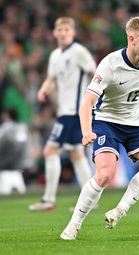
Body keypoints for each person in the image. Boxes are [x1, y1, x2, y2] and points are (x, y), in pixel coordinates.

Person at [60, 15, 139, 240]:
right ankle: (74, 225)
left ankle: (119, 210)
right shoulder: (109, 64)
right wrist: (87, 131)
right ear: (131, 39)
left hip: (135, 121)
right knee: (105, 174)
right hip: (106, 121)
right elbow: (87, 102)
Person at [29, 17, 97, 211]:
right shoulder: (55, 56)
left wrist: (96, 97)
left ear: (73, 32)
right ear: (55, 33)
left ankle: (48, 200)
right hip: (65, 111)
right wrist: (43, 89)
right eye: (60, 29)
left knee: (50, 151)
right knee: (76, 154)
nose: (63, 33)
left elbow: (95, 73)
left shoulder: (80, 52)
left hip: (74, 112)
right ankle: (90, 201)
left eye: (67, 29)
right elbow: (51, 78)